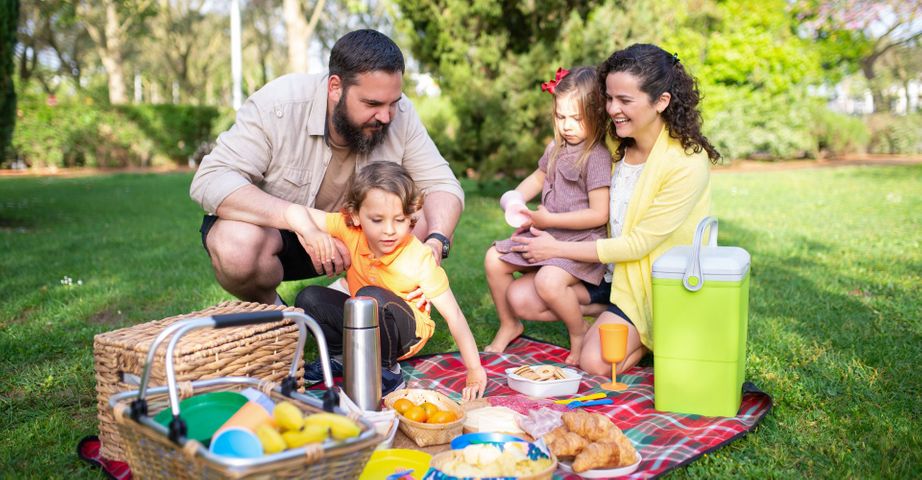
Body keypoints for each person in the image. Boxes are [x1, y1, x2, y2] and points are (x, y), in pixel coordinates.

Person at [190, 29, 463, 306]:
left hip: (361, 237)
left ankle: (354, 300)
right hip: (284, 235)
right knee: (234, 245)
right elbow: (211, 179)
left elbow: (442, 185)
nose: (385, 116)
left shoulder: (400, 114)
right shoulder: (278, 104)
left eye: (393, 102)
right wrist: (295, 217)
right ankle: (279, 316)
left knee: (425, 214)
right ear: (335, 87)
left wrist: (437, 241)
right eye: (372, 103)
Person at [507, 44, 721, 376]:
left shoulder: (686, 163)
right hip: (607, 273)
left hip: (647, 285)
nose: (612, 109)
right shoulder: (614, 142)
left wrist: (555, 247)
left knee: (596, 362)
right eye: (609, 98)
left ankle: (652, 336)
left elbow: (638, 245)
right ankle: (606, 314)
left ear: (661, 101)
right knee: (520, 298)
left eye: (625, 100)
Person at [287, 162, 487, 400]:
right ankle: (340, 357)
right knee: (309, 297)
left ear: (411, 217)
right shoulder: (350, 230)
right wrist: (310, 232)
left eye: (399, 219)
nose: (389, 230)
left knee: (371, 296)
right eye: (378, 220)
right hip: (366, 318)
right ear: (356, 216)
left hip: (404, 334)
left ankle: (388, 371)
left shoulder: (417, 257)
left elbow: (454, 315)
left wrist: (475, 370)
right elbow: (294, 212)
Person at [483, 66, 611, 366]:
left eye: (577, 118)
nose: (567, 125)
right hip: (544, 231)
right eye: (561, 116)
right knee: (493, 259)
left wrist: (548, 220)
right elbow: (539, 177)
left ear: (596, 115)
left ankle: (578, 332)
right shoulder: (556, 147)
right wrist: (516, 196)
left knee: (550, 281)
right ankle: (509, 324)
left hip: (578, 240)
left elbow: (598, 213)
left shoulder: (597, 156)